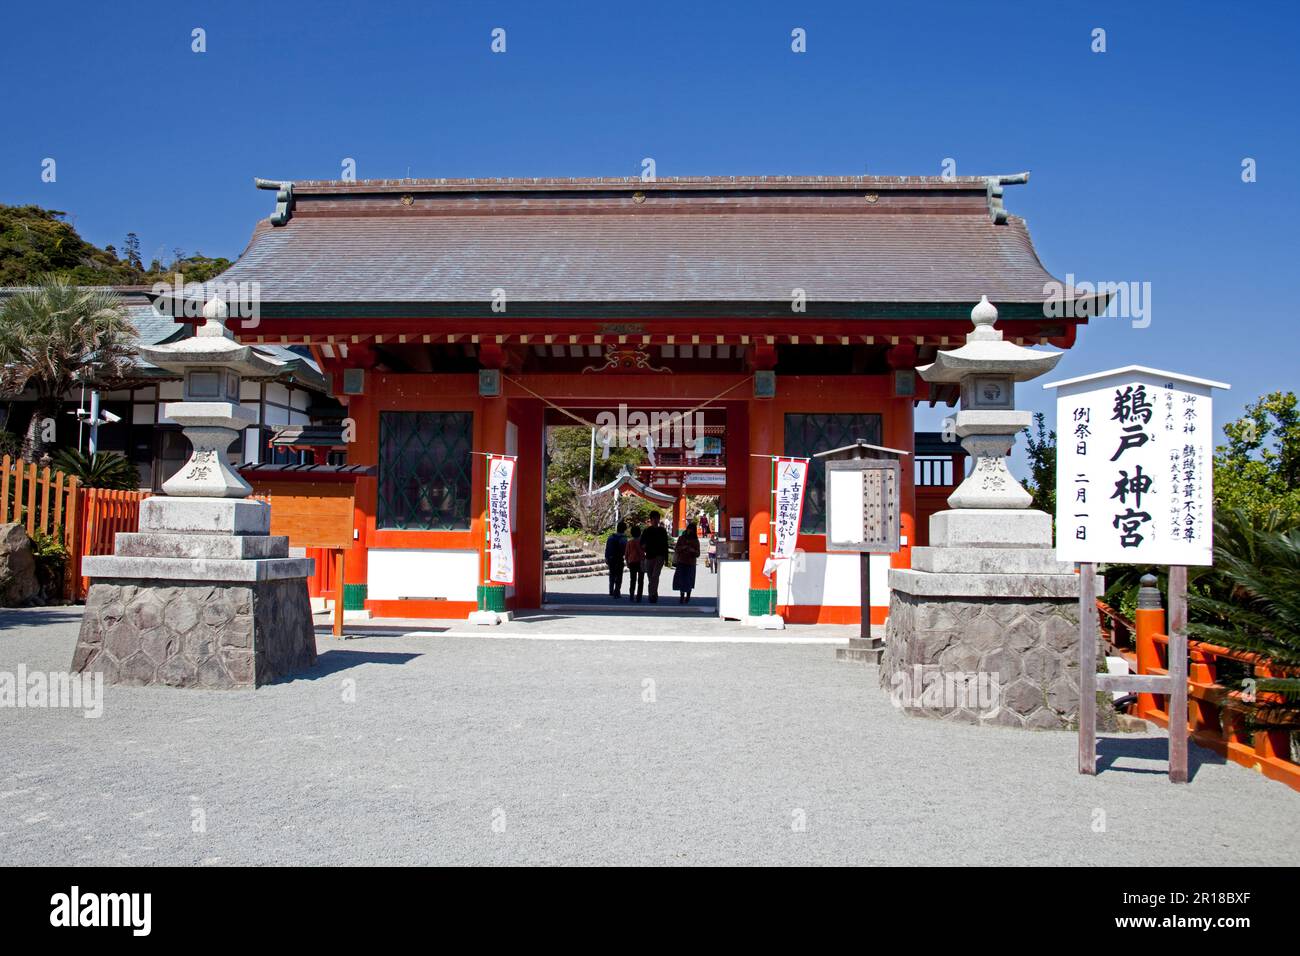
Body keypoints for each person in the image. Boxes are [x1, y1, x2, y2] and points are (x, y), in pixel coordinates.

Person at [639, 511, 670, 604]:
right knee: (650, 576)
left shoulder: (662, 531)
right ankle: (653, 593)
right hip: (649, 555)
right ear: (651, 520)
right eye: (654, 518)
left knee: (655, 576)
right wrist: (644, 547)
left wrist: (666, 558)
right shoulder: (647, 531)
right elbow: (641, 543)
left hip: (659, 556)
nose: (656, 520)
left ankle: (652, 595)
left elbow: (665, 545)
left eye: (657, 518)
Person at [672, 521, 701, 604]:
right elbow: (677, 549)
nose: (690, 531)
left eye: (692, 530)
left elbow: (698, 553)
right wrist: (683, 547)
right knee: (681, 579)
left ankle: (688, 596)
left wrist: (692, 550)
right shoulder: (681, 538)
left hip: (691, 562)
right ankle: (681, 596)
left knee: (689, 580)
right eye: (689, 529)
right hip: (681, 561)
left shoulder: (695, 540)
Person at [604, 521, 627, 598]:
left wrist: (606, 557)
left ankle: (611, 590)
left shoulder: (610, 537)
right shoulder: (624, 539)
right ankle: (617, 591)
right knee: (619, 575)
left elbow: (607, 548)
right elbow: (625, 550)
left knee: (612, 574)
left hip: (611, 558)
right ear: (624, 529)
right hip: (619, 558)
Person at [624, 525, 645, 602]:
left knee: (632, 579)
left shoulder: (629, 542)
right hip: (641, 561)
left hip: (632, 561)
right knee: (640, 580)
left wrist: (627, 562)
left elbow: (626, 554)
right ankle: (639, 596)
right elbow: (644, 550)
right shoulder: (642, 542)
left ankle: (631, 595)